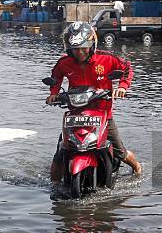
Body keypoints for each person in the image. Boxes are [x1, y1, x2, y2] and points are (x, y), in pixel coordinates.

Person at [47, 22, 142, 181]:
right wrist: (54, 93)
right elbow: (56, 76)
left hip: (103, 113)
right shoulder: (65, 63)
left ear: (92, 44)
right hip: (75, 114)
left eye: (84, 47)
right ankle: (53, 185)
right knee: (61, 152)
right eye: (75, 48)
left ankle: (137, 166)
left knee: (120, 151)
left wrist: (123, 87)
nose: (79, 52)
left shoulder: (106, 59)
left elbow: (126, 68)